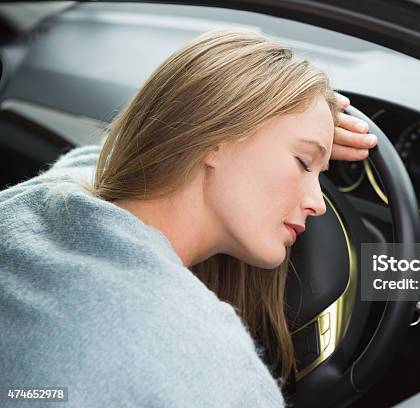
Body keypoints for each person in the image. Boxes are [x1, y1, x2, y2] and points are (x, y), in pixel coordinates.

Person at [0, 28, 377, 407]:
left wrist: (310, 129)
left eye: (320, 173)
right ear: (215, 137)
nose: (318, 203)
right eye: (302, 162)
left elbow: (106, 159)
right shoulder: (205, 362)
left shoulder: (39, 203)